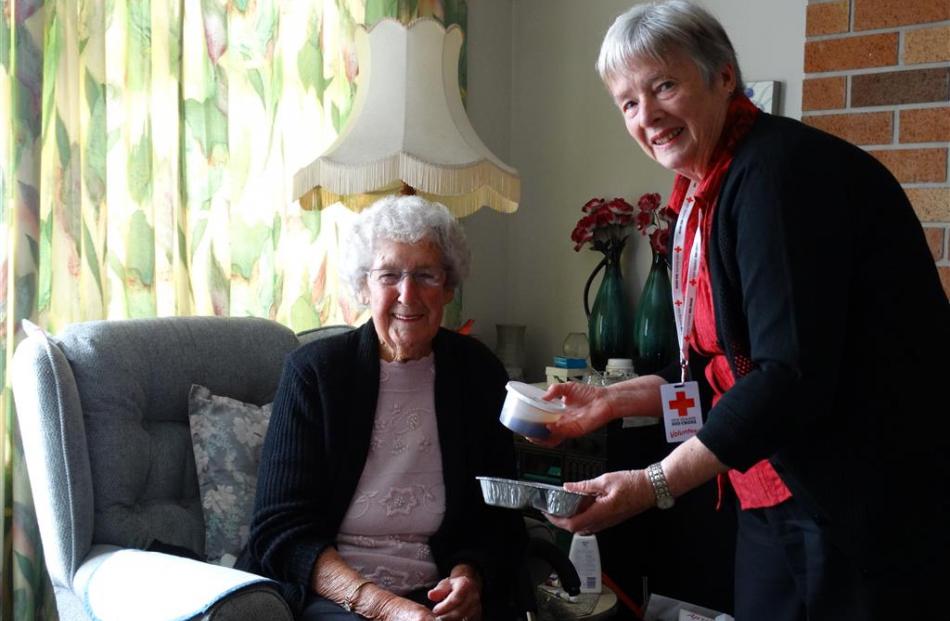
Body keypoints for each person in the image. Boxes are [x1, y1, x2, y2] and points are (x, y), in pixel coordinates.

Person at [541, 1, 950, 619]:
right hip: (771, 491)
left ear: (723, 76)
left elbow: (787, 379)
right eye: (628, 102)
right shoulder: (705, 193)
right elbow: (728, 375)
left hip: (852, 504)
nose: (646, 115)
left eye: (664, 85)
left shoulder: (777, 177)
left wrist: (651, 485)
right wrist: (611, 400)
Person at [239, 194, 526, 621]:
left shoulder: (477, 371)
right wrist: (384, 608)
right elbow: (280, 530)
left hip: (438, 596)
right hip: (336, 595)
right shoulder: (315, 373)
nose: (407, 294)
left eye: (426, 275)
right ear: (363, 286)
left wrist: (470, 576)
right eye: (389, 274)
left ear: (448, 286)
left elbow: (499, 513)